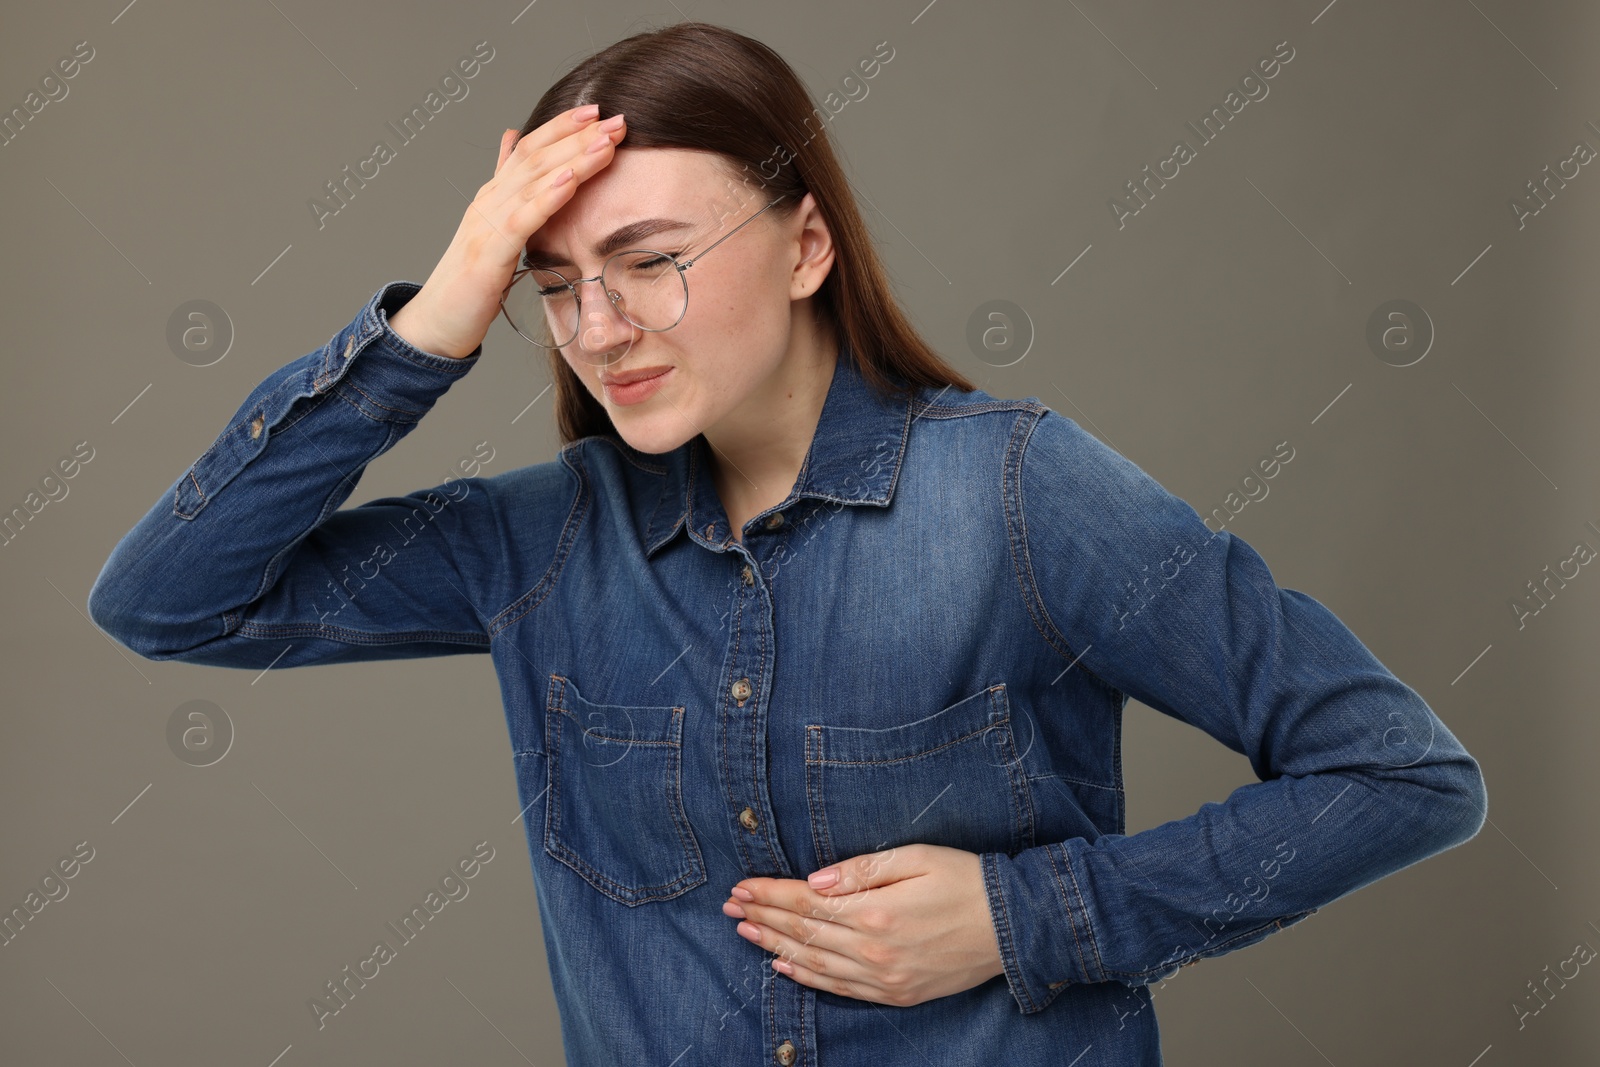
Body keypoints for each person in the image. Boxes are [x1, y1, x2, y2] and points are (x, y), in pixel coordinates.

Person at [87, 21, 1486, 1067]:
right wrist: (435, 318)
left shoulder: (1021, 491)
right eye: (556, 284)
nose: (601, 328)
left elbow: (1402, 773)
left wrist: (1029, 919)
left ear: (807, 244)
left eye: (650, 260)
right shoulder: (545, 541)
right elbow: (170, 602)